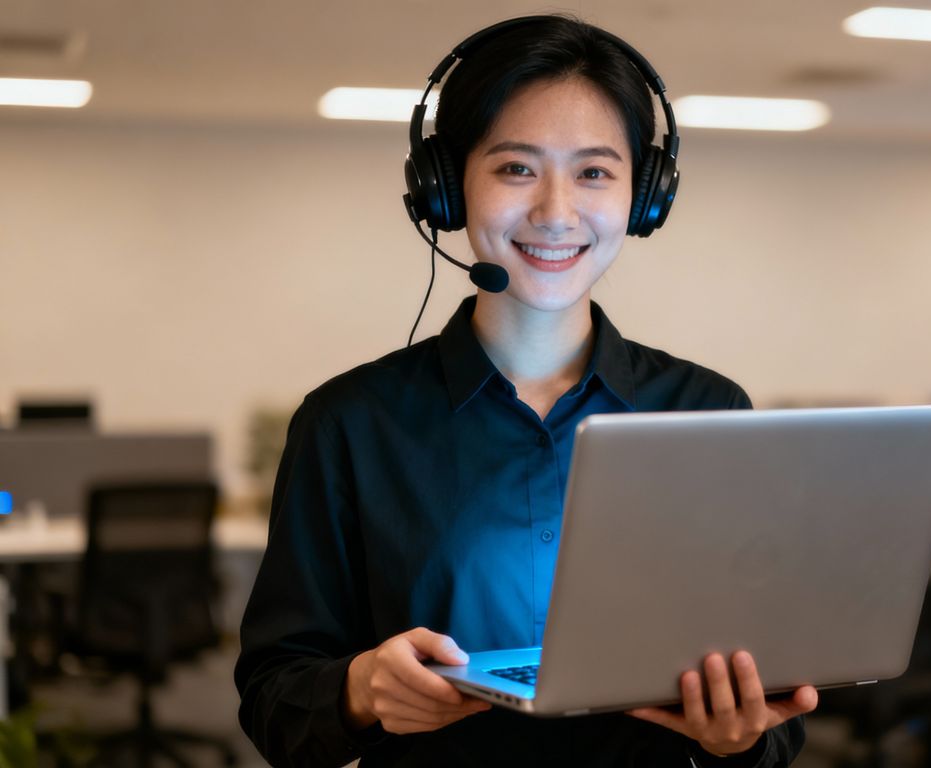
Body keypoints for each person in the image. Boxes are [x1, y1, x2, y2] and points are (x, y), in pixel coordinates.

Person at [235, 14, 817, 767]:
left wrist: (741, 738)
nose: (555, 212)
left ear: (645, 198)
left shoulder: (707, 410)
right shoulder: (349, 423)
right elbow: (273, 699)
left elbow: (774, 716)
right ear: (447, 188)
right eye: (516, 168)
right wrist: (361, 689)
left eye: (595, 172)